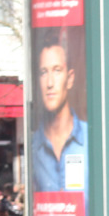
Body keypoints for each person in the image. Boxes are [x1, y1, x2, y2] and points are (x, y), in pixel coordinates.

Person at [31, 29, 87, 194]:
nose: (50, 83)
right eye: (43, 72)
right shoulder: (33, 145)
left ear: (69, 79)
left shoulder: (91, 141)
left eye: (57, 71)